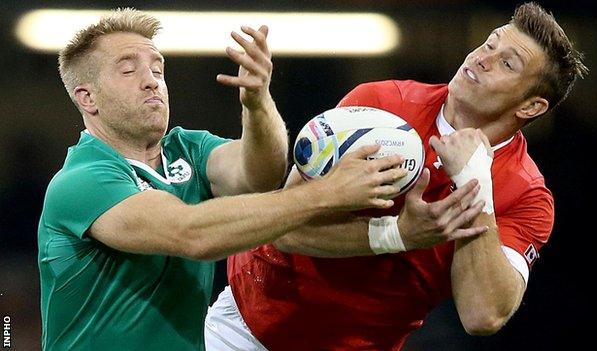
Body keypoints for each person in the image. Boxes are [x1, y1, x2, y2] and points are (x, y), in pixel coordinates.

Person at [206, 2, 588, 350]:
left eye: (508, 63)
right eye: (489, 45)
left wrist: (476, 185)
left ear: (532, 105)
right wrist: (398, 234)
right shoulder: (381, 104)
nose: (484, 59)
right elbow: (283, 227)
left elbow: (483, 315)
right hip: (243, 328)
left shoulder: (525, 195)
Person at [37, 9, 413, 351]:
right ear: (87, 98)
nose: (152, 82)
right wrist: (328, 194)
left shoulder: (188, 148)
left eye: (157, 68)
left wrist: (257, 102)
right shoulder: (82, 180)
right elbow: (190, 233)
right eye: (128, 70)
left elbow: (259, 175)